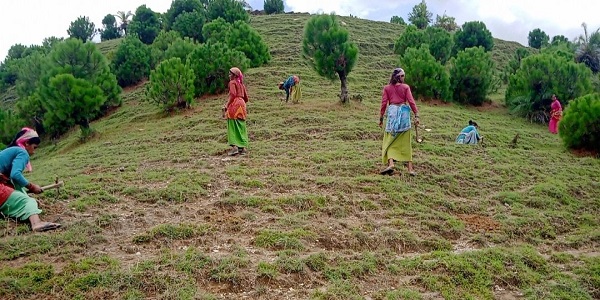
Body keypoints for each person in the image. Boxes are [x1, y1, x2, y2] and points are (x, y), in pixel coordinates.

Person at [0, 128, 61, 232]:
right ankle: (36, 223)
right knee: (27, 201)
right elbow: (15, 175)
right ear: (27, 143)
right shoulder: (22, 152)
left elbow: (13, 181)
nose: (34, 152)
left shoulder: (7, 152)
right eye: (34, 147)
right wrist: (32, 187)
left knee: (18, 194)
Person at [379, 68, 420, 176]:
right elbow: (411, 101)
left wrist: (381, 118)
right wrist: (416, 115)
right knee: (406, 141)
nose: (404, 77)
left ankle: (391, 163)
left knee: (389, 139)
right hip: (404, 114)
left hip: (392, 114)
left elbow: (384, 103)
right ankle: (410, 169)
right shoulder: (405, 87)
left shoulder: (387, 88)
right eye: (402, 76)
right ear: (397, 77)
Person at [223, 67, 249, 156]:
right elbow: (246, 98)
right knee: (241, 125)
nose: (229, 75)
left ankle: (234, 148)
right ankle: (243, 148)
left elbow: (233, 94)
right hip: (242, 104)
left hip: (234, 104)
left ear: (234, 75)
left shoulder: (232, 83)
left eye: (230, 74)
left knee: (232, 125)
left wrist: (227, 105)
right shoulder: (242, 84)